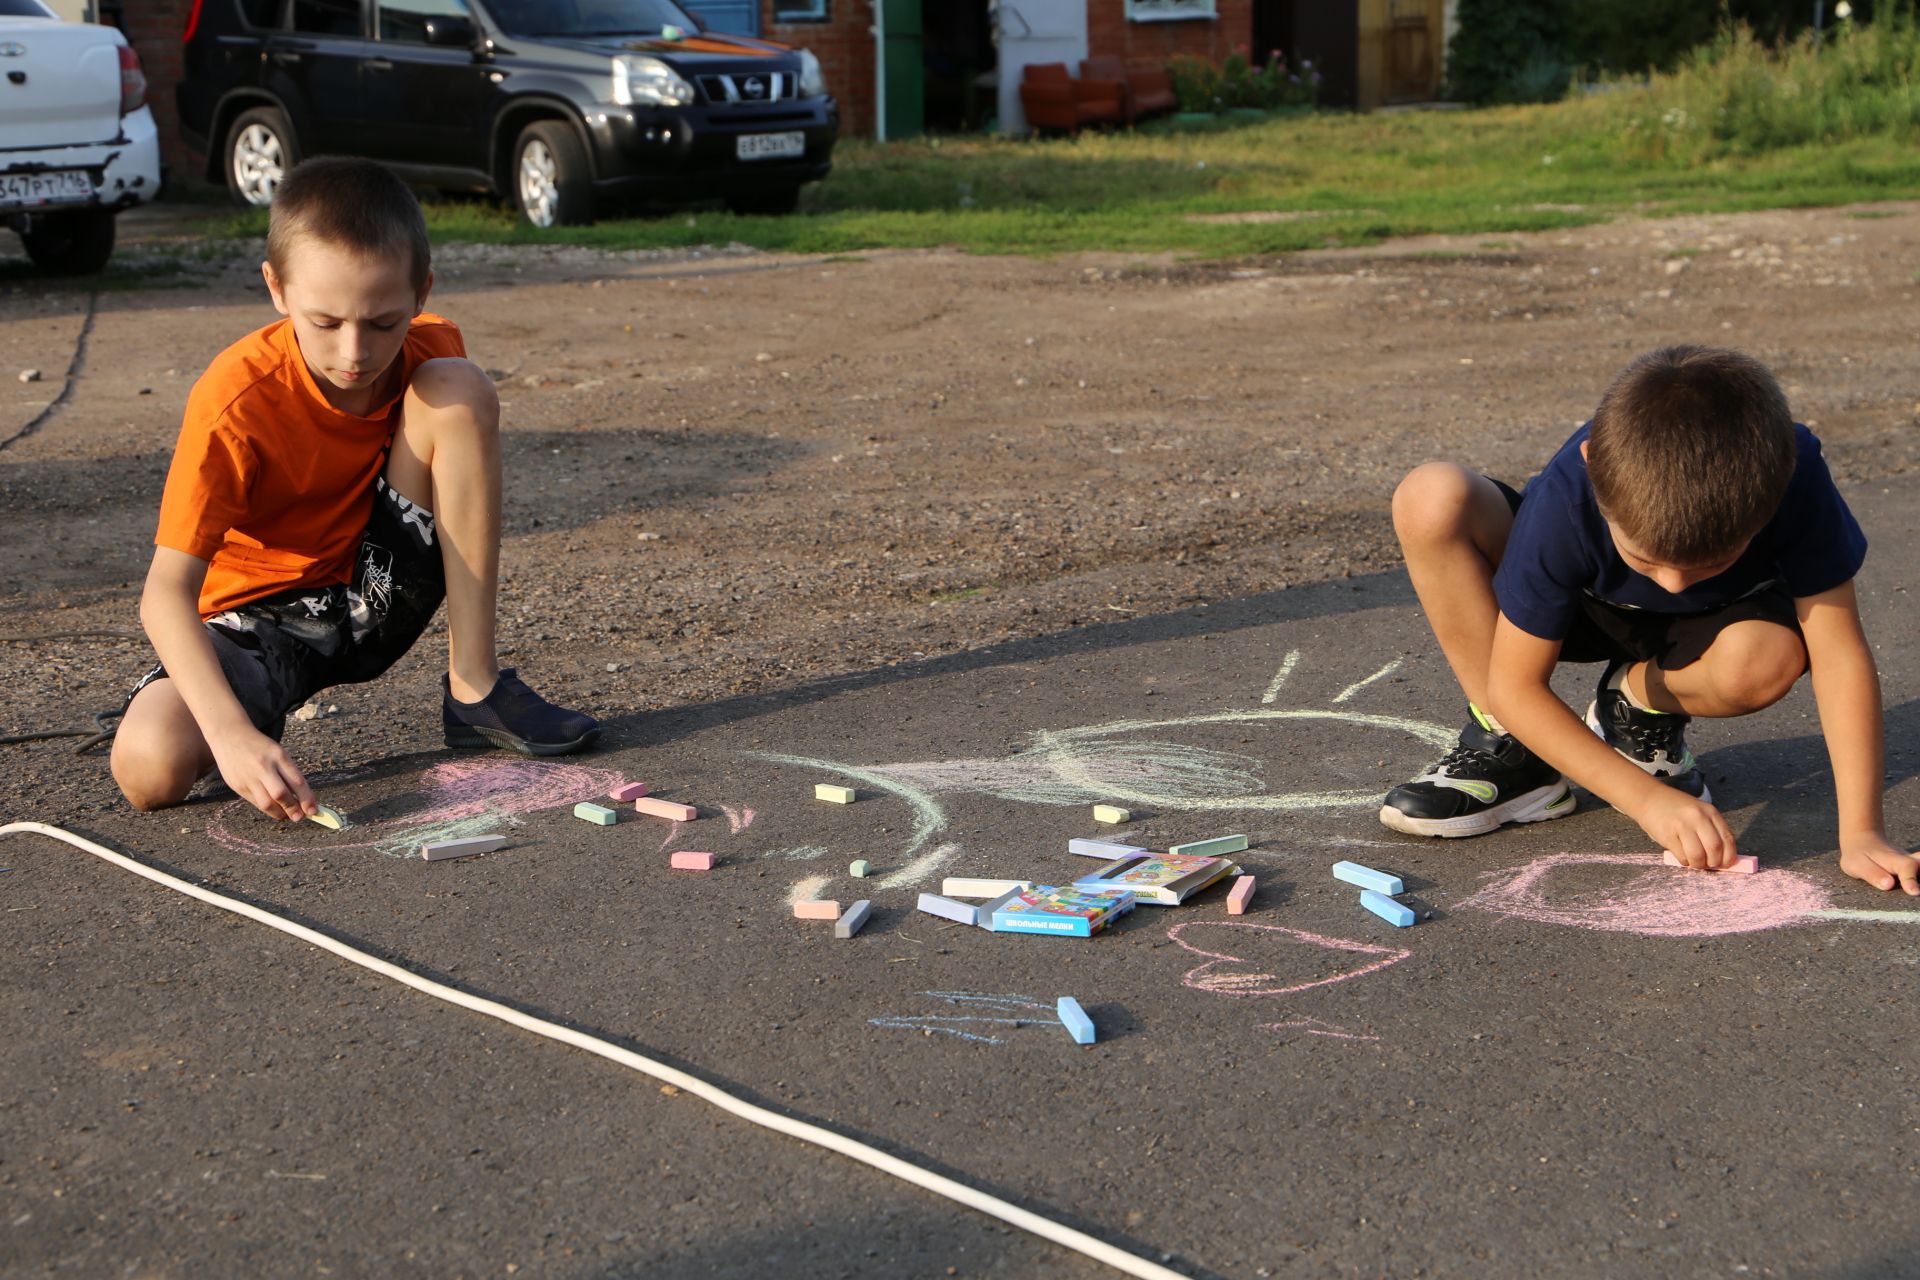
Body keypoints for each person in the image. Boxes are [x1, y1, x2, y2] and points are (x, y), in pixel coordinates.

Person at [111, 157, 598, 821]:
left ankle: (475, 688)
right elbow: (164, 594)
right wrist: (229, 735)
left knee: (458, 387)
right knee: (149, 764)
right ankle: (255, 725)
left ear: (421, 292)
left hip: (377, 589)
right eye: (326, 322)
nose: (354, 353)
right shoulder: (236, 400)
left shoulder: (430, 353)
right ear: (277, 290)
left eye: (382, 323)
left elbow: (436, 428)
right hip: (258, 627)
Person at [1379, 344, 1917, 895]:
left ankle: (1637, 703)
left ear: (1776, 490)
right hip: (1586, 608)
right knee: (1431, 496)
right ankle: (1514, 750)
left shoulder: (1793, 472)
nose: (1673, 583)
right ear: (1593, 465)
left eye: (1710, 561)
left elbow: (1839, 653)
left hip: (1717, 628)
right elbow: (1515, 685)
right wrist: (1645, 799)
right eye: (1646, 560)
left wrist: (1863, 833)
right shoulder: (1570, 493)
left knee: (1765, 660)